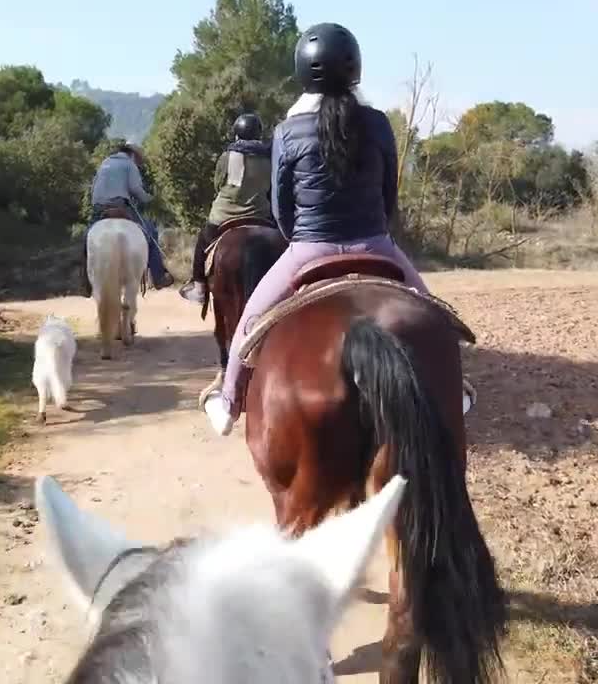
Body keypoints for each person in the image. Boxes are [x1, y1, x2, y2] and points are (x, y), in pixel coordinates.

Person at [201, 22, 432, 436]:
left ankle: (229, 402)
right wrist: (380, 233)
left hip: (309, 249)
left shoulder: (287, 132)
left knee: (249, 324)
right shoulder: (378, 124)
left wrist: (298, 239)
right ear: (354, 68)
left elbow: (281, 208)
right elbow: (388, 195)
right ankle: (455, 386)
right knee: (432, 315)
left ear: (303, 72)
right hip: (377, 245)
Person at [177, 113, 275, 304]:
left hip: (224, 215)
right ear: (258, 134)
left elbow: (217, 183)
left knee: (202, 242)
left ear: (237, 135)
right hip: (260, 214)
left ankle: (199, 289)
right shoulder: (269, 156)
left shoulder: (227, 156)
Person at [80, 141, 175, 296]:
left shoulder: (105, 163)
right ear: (133, 154)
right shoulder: (129, 164)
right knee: (151, 231)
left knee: (87, 238)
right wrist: (150, 199)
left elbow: (94, 189)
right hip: (121, 206)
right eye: (139, 159)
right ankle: (158, 277)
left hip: (99, 208)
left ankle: (86, 282)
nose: (139, 162)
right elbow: (136, 190)